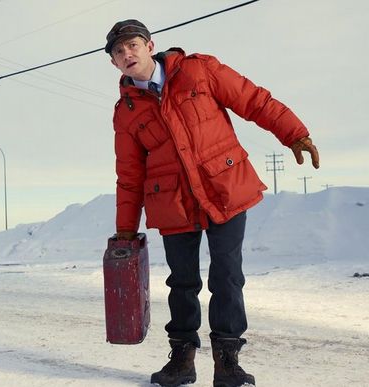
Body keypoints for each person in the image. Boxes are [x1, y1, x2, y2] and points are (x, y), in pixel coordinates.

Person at [105, 19, 319, 387]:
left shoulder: (199, 69)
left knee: (227, 276)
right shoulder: (126, 111)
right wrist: (126, 228)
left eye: (133, 45)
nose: (127, 54)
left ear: (150, 45)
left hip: (225, 187)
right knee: (182, 282)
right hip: (172, 202)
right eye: (118, 51)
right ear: (113, 63)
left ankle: (228, 360)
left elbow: (253, 100)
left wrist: (294, 133)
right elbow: (129, 174)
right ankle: (182, 360)